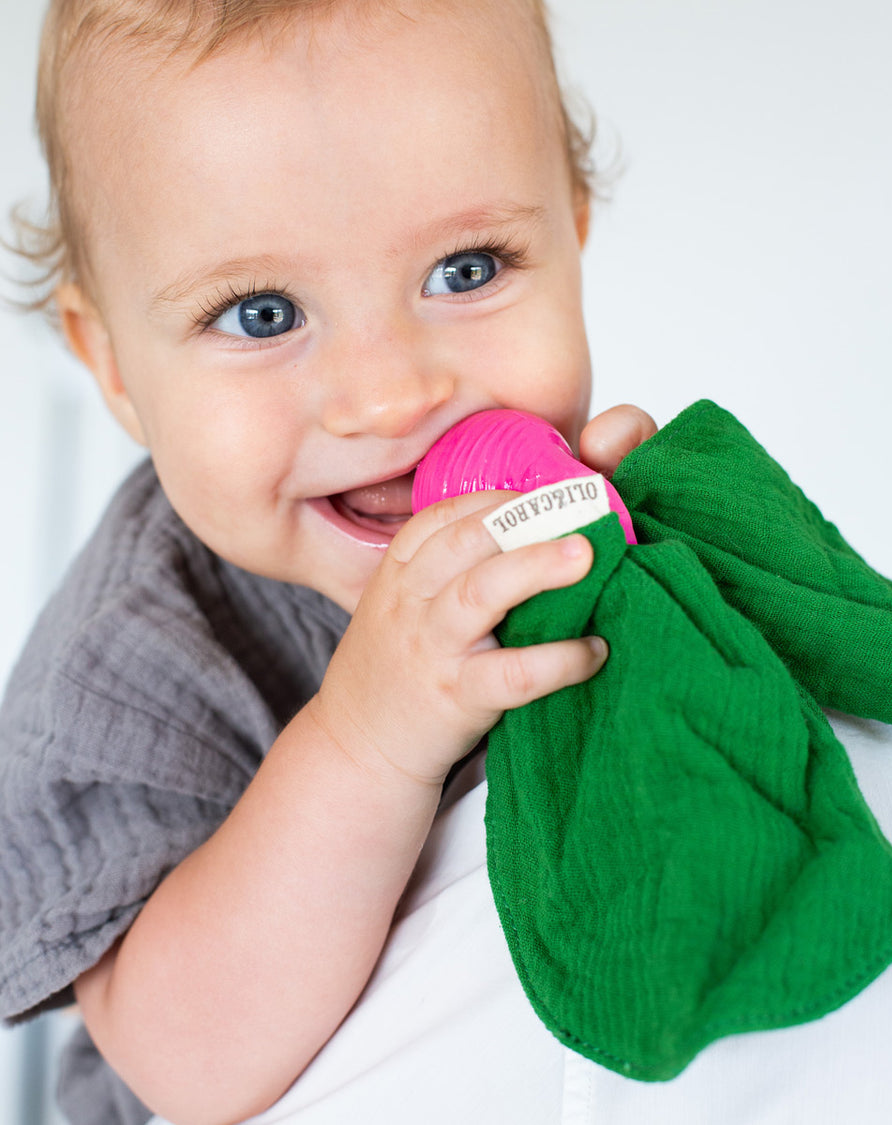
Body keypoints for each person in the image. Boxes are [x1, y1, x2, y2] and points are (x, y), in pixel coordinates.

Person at [0, 1, 657, 1122]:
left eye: (466, 269)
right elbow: (185, 1059)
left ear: (574, 232)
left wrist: (668, 600)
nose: (392, 394)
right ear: (112, 365)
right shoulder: (129, 668)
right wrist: (371, 735)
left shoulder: (570, 501)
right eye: (263, 313)